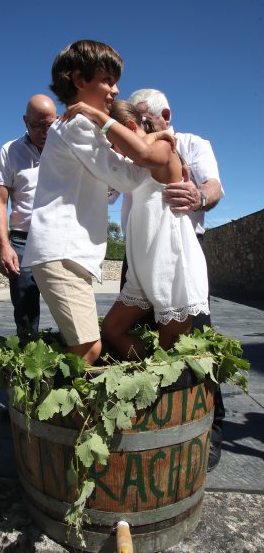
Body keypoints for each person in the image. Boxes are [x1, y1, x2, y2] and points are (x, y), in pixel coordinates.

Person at [22, 40, 175, 365]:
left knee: (86, 346)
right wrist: (157, 139)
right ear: (79, 80)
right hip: (60, 253)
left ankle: (51, 406)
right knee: (88, 349)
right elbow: (127, 178)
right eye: (107, 80)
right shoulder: (77, 125)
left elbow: (108, 186)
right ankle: (43, 410)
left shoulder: (81, 126)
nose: (116, 90)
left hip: (66, 254)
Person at [127, 88, 224, 470]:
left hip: (178, 257)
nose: (134, 127)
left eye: (140, 119)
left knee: (197, 349)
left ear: (163, 114)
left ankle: (209, 430)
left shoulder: (192, 144)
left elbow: (215, 188)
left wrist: (199, 196)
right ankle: (152, 420)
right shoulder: (134, 148)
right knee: (133, 341)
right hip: (138, 261)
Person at [101, 100, 209, 358]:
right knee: (112, 330)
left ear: (128, 127)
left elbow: (145, 155)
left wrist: (101, 117)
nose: (112, 149)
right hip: (141, 270)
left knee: (169, 354)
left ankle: (166, 393)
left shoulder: (162, 146)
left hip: (170, 267)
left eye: (112, 140)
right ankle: (143, 374)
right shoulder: (133, 163)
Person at [0, 95, 57, 335]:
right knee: (26, 316)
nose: (43, 131)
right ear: (24, 121)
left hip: (59, 240)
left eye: (49, 125)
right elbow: (0, 201)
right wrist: (3, 246)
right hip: (22, 241)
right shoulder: (10, 151)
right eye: (36, 125)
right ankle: (30, 361)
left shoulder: (68, 148)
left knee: (70, 309)